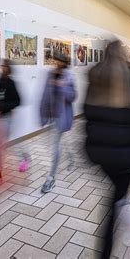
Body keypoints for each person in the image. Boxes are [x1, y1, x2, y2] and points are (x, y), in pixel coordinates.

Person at [84, 40, 130, 258]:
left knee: (117, 191)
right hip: (126, 155)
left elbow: (87, 115)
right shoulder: (129, 79)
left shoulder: (95, 77)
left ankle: (122, 210)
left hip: (101, 154)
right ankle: (106, 248)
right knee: (116, 200)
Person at [40, 54, 76, 193]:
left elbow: (73, 96)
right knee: (57, 143)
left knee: (55, 147)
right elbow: (44, 94)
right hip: (51, 115)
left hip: (62, 116)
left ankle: (51, 178)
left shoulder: (70, 76)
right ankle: (71, 156)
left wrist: (62, 87)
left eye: (60, 61)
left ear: (65, 63)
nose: (58, 63)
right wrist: (42, 114)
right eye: (56, 61)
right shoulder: (50, 74)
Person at [0, 59, 25, 187]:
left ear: (9, 69)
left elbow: (18, 101)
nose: (2, 69)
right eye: (1, 67)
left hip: (7, 118)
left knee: (2, 146)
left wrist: (3, 107)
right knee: (0, 146)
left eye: (5, 67)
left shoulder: (11, 83)